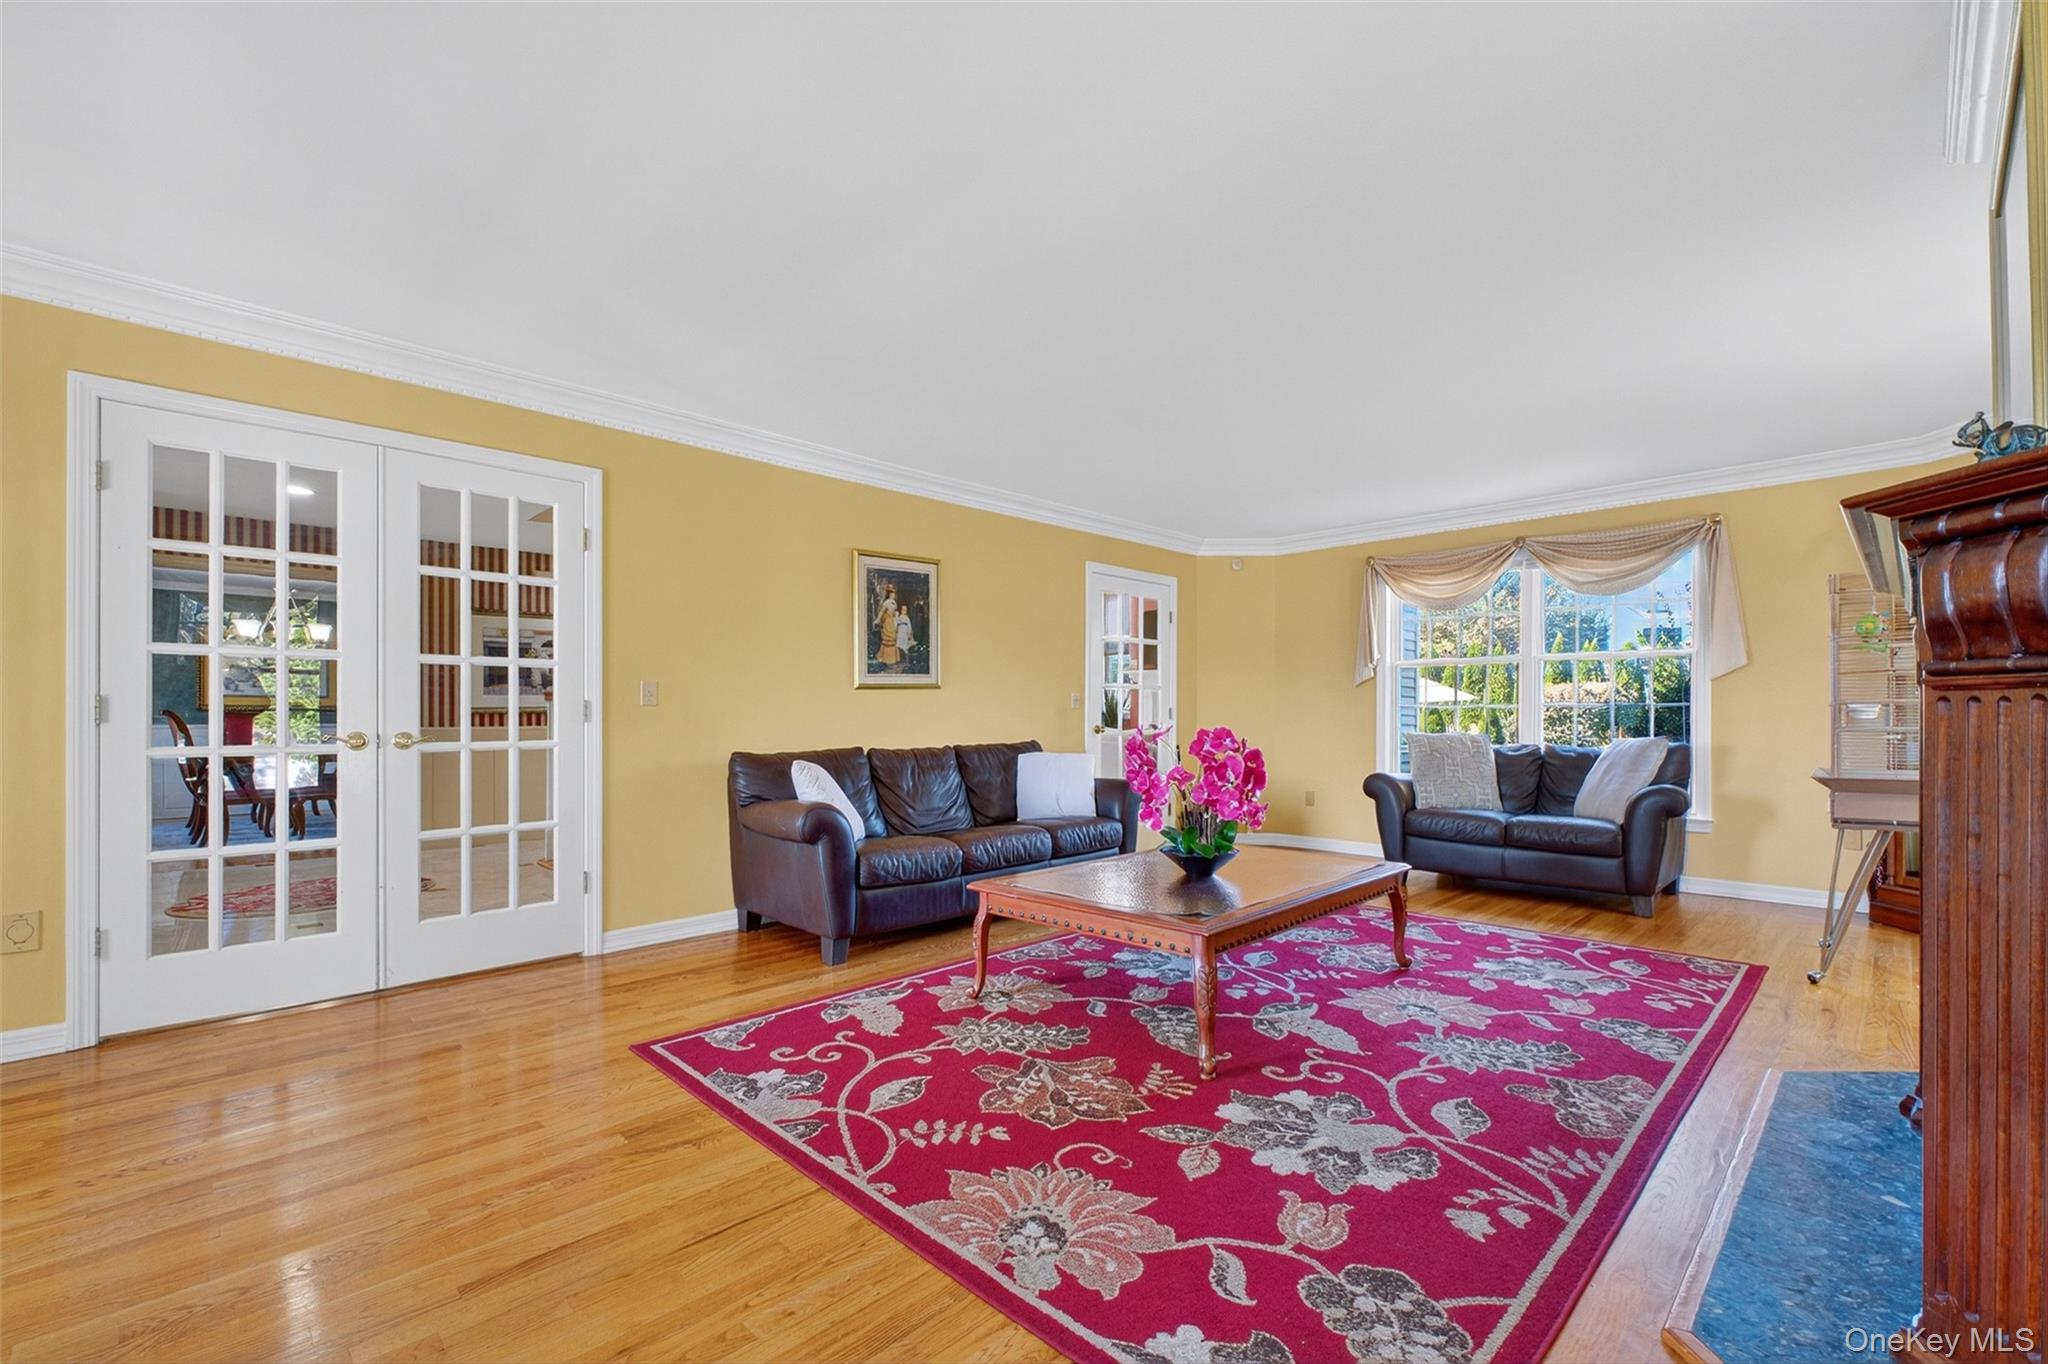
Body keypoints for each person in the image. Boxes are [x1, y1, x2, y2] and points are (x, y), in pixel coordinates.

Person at [874, 586, 901, 667]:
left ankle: (892, 659)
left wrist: (896, 615)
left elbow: (895, 611)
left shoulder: (894, 602)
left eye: (894, 594)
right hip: (887, 621)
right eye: (892, 594)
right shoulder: (886, 602)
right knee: (889, 638)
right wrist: (878, 620)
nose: (893, 595)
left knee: (893, 638)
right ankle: (885, 659)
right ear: (889, 594)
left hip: (893, 621)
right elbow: (882, 612)